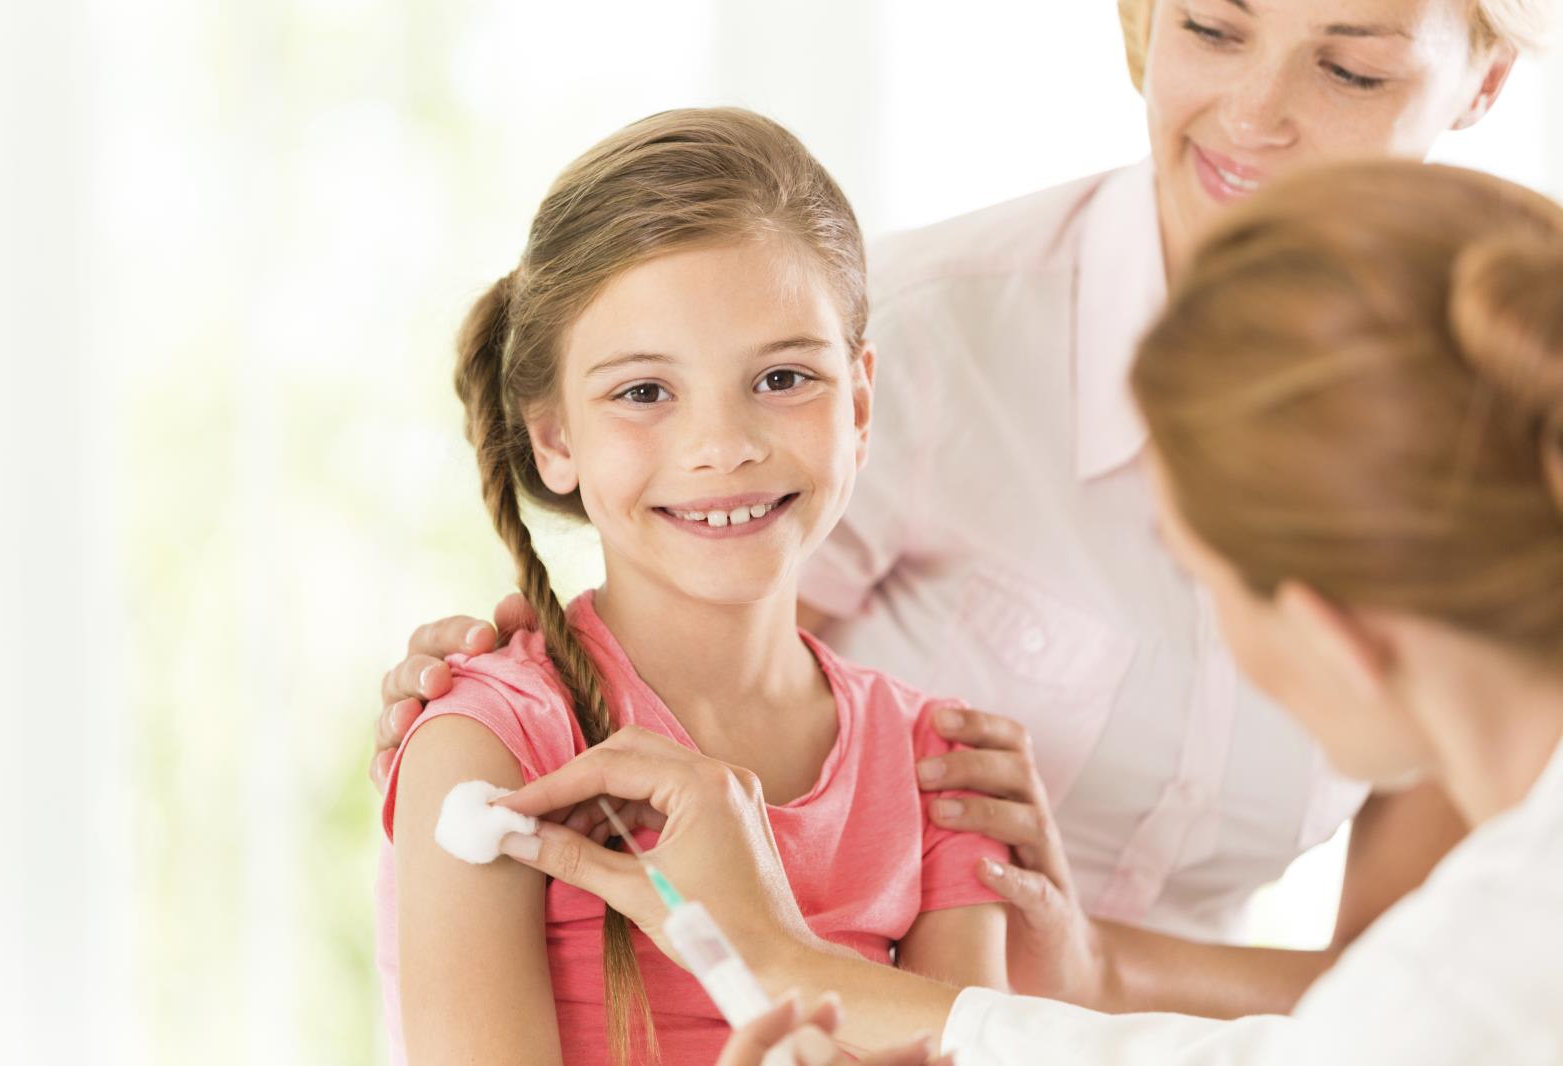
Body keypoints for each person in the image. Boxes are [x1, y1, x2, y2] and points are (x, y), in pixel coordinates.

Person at [372, 0, 1551, 1018]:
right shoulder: (937, 338)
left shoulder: (1482, 408)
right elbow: (675, 641)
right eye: (1210, 25)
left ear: (1485, 80)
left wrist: (1095, 973)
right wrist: (498, 696)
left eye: (1350, 68)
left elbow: (1413, 986)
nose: (1256, 113)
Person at [377, 107, 1013, 1066]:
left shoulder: (933, 765)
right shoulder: (494, 747)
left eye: (785, 377)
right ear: (553, 437)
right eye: (643, 393)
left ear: (862, 401)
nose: (724, 445)